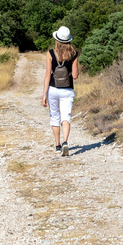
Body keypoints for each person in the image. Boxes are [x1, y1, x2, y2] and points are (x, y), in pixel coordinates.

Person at [41, 26, 80, 157]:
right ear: (69, 40)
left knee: (55, 117)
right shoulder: (74, 54)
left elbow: (47, 75)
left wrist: (44, 95)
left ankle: (57, 145)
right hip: (68, 90)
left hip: (53, 89)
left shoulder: (50, 53)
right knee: (66, 117)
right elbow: (75, 76)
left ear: (57, 39)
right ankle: (65, 142)